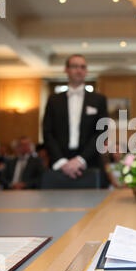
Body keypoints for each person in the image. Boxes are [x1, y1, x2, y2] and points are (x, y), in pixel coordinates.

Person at [43, 54, 108, 186]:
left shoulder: (99, 100)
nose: (79, 70)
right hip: (59, 164)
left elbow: (102, 133)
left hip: (90, 163)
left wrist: (80, 160)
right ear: (66, 69)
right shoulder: (53, 100)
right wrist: (62, 162)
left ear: (86, 71)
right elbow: (47, 132)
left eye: (82, 67)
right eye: (74, 66)